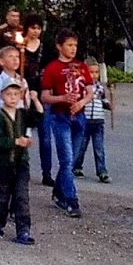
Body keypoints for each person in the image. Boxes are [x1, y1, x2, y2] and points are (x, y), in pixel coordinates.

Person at [39, 29, 92, 218]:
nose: (73, 49)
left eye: (75, 45)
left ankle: (59, 191)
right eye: (69, 45)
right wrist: (62, 98)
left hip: (79, 115)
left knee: (72, 158)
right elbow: (45, 96)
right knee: (66, 158)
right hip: (60, 117)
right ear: (59, 47)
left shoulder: (81, 66)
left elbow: (90, 91)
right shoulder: (52, 68)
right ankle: (71, 198)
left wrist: (80, 103)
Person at [0, 79, 35, 245]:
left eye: (16, 94)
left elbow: (35, 120)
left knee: (22, 195)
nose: (13, 97)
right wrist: (15, 142)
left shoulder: (22, 114)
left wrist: (34, 100)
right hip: (4, 163)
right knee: (2, 193)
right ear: (2, 96)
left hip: (21, 162)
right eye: (9, 94)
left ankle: (23, 230)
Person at [20, 15, 53, 184]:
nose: (35, 31)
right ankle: (20, 169)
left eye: (38, 28)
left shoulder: (46, 49)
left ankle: (46, 173)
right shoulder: (19, 47)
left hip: (41, 95)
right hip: (21, 94)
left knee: (45, 137)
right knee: (20, 133)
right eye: (32, 27)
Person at [75, 61, 111, 183]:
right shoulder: (82, 87)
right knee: (81, 147)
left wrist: (110, 104)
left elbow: (104, 102)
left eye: (96, 72)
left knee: (99, 148)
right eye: (91, 72)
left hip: (98, 121)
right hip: (85, 121)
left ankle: (102, 171)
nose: (94, 75)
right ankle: (76, 167)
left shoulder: (101, 88)